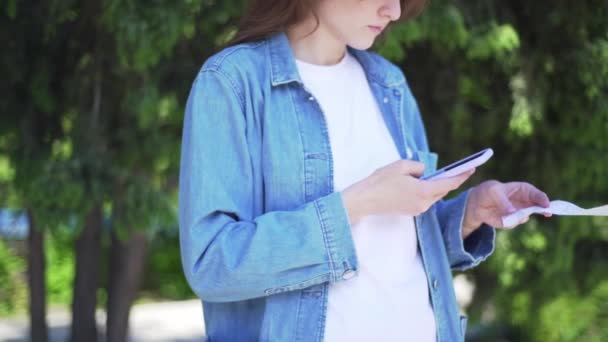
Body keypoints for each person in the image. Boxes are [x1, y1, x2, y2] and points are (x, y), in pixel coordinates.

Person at [178, 0, 551, 341]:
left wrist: (468, 214)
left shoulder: (390, 84)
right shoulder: (233, 83)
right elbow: (212, 263)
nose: (394, 11)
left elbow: (396, 244)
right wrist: (358, 202)